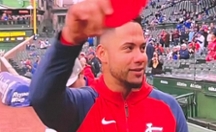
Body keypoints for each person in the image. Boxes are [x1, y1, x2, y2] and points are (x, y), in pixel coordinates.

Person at [29, 0, 188, 132]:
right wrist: (70, 39)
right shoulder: (84, 105)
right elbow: (42, 98)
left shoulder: (169, 107)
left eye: (142, 48)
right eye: (128, 48)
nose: (140, 57)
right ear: (102, 53)